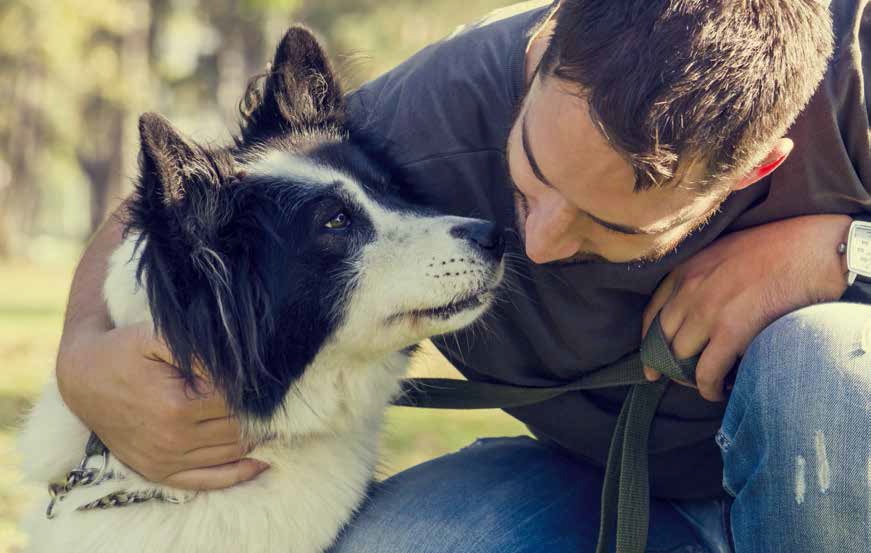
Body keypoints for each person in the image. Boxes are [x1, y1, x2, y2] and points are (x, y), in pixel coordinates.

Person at [56, 1, 871, 551]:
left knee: (822, 362)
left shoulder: (855, 74)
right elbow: (196, 195)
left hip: (837, 489)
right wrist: (82, 354)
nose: (539, 243)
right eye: (528, 179)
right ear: (541, 48)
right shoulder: (433, 110)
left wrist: (836, 251)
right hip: (590, 486)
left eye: (607, 225)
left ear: (752, 168)